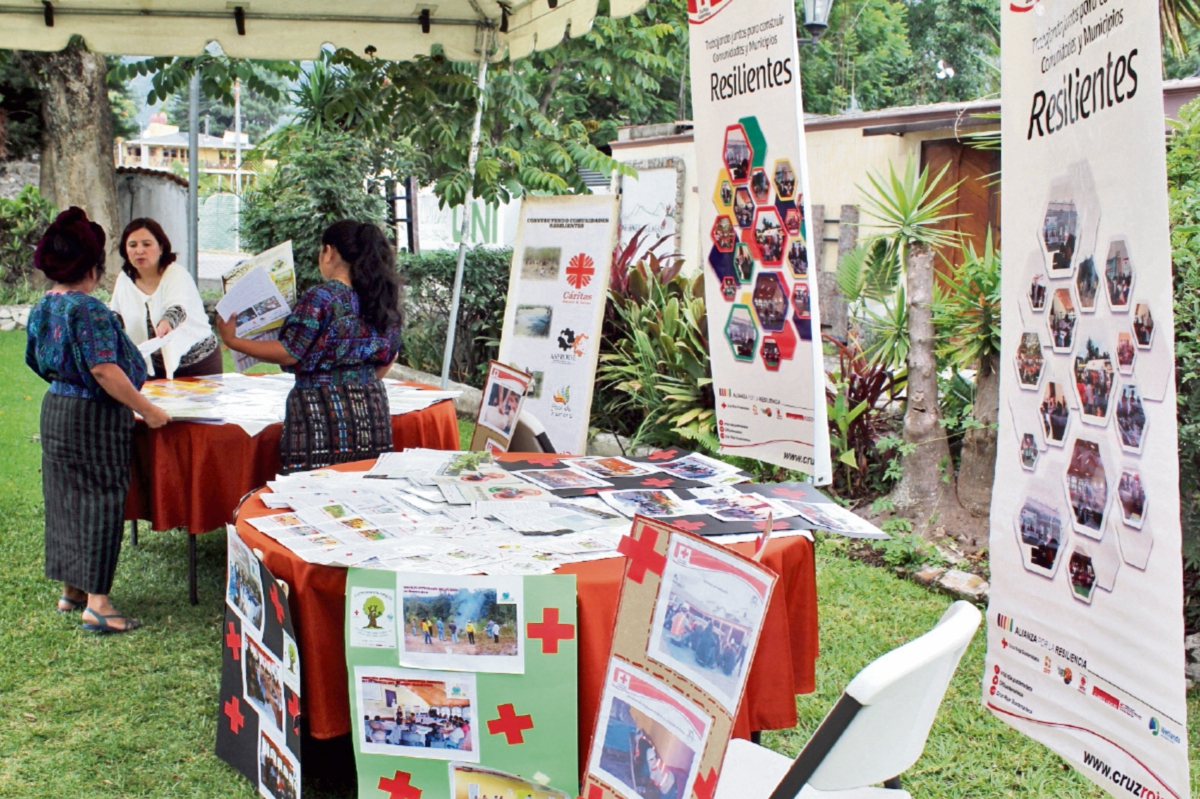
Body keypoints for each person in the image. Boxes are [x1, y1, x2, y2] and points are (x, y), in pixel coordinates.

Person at [26, 207, 171, 634]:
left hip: (56, 410)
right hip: (93, 415)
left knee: (65, 500)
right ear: (92, 267)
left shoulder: (44, 306)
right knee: (100, 501)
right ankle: (99, 604)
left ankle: (72, 591)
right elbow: (104, 369)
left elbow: (35, 359)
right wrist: (149, 410)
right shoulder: (88, 310)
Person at [216, 220, 403, 473]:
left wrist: (233, 340)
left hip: (319, 409)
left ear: (329, 252)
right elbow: (389, 355)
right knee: (363, 484)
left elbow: (290, 351)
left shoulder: (322, 297)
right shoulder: (382, 297)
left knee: (311, 488)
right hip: (371, 409)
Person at [109, 218, 222, 378]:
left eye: (146, 244)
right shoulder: (124, 279)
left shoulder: (176, 273)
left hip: (197, 364)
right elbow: (116, 315)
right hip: (150, 366)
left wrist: (167, 322)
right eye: (132, 245)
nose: (139, 251)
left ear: (161, 247)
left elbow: (178, 307)